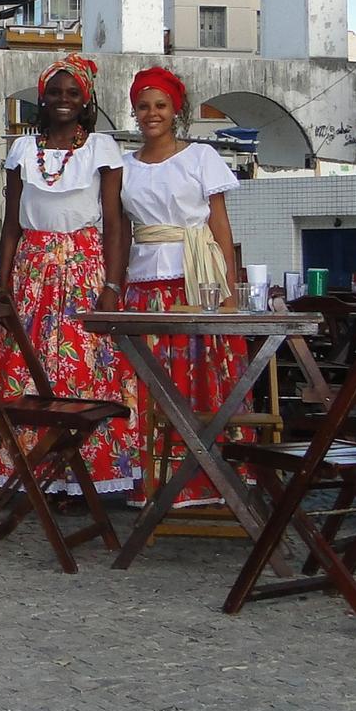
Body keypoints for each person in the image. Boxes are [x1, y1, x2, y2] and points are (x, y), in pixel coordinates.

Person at [0, 53, 139, 498]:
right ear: (42, 97)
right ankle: (31, 472)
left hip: (85, 269)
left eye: (72, 93)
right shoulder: (20, 150)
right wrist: (2, 286)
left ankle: (84, 480)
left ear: (86, 100)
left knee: (84, 368)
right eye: (55, 92)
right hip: (32, 270)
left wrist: (113, 286)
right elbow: (12, 225)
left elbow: (115, 224)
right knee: (25, 365)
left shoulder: (103, 148)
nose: (62, 99)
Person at [119, 65, 246, 507]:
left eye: (160, 106)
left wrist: (228, 292)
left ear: (176, 111)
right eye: (143, 106)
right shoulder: (123, 167)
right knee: (150, 384)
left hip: (196, 281)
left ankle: (205, 478)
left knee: (200, 377)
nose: (151, 114)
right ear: (134, 113)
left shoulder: (201, 157)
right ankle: (151, 476)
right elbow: (116, 231)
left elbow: (221, 227)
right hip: (144, 282)